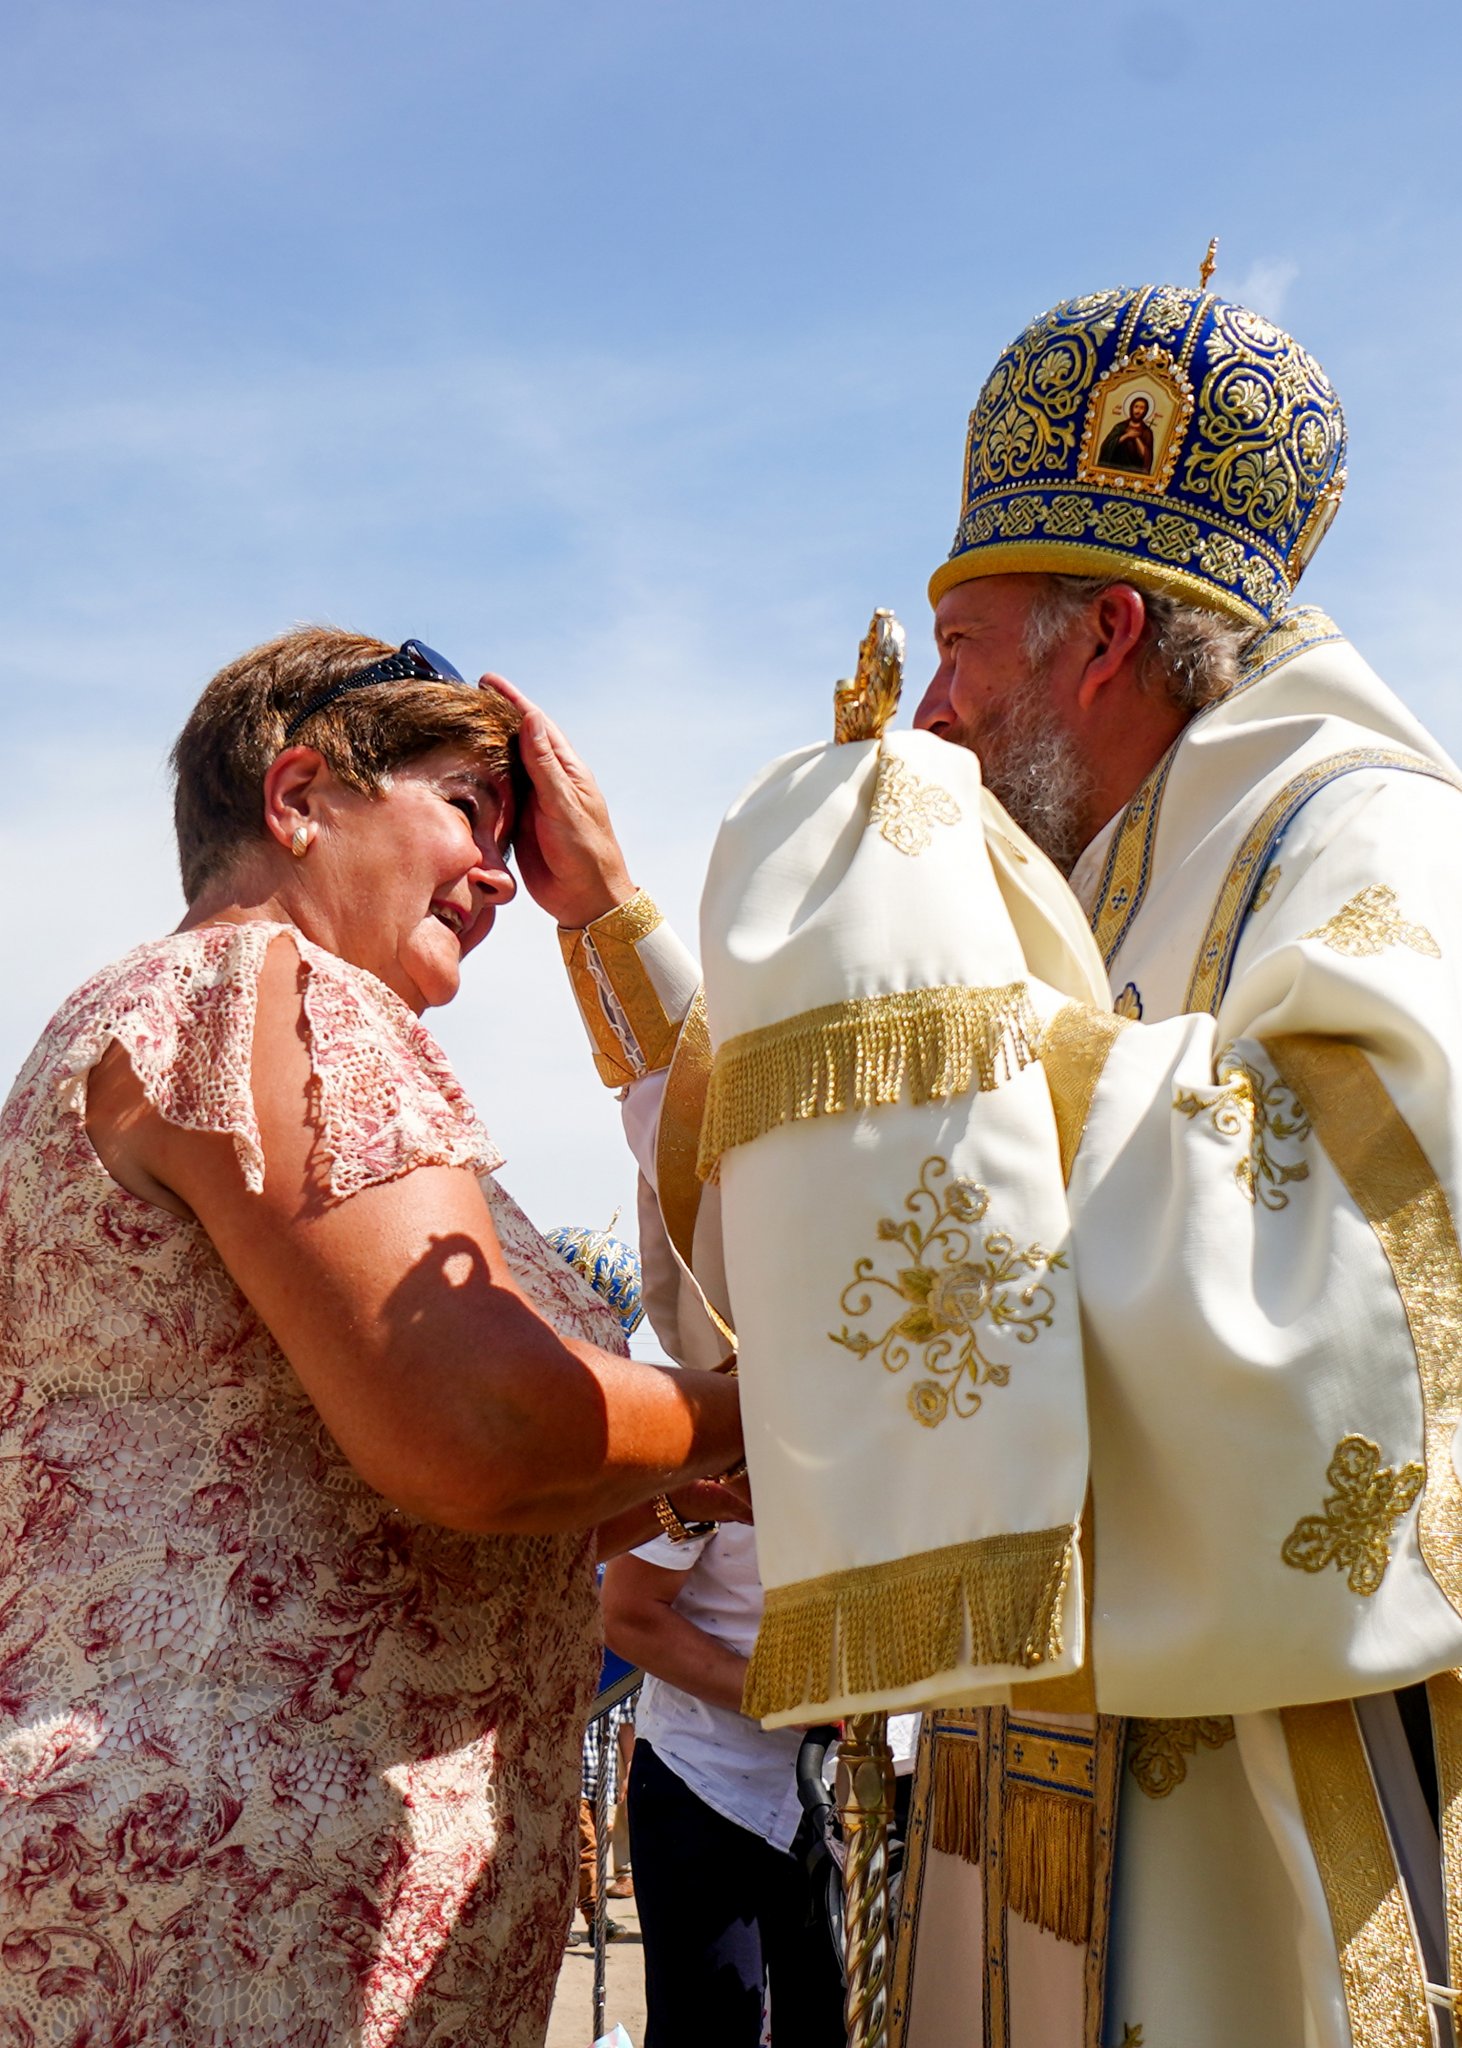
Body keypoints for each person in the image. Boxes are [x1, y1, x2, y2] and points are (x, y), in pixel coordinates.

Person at [503, 278, 1462, 2046]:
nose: (930, 712)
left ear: (1102, 634)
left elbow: (1376, 1249)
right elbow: (858, 1184)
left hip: (1252, 1786)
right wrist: (623, 927)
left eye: (963, 644)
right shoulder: (1085, 872)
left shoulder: (1366, 832)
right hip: (1016, 1783)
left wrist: (963, 1056)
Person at [0, 628, 745, 2048]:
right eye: (469, 810)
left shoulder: (129, 1014)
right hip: (247, 1917)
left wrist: (639, 1476)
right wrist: (746, 1415)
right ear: (297, 798)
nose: (498, 879)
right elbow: (478, 1434)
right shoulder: (274, 995)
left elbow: (285, 1489)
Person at [602, 1522, 848, 2048]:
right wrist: (776, 1691)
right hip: (705, 1780)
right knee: (707, 2032)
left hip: (861, 1791)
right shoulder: (727, 1447)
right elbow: (627, 1613)